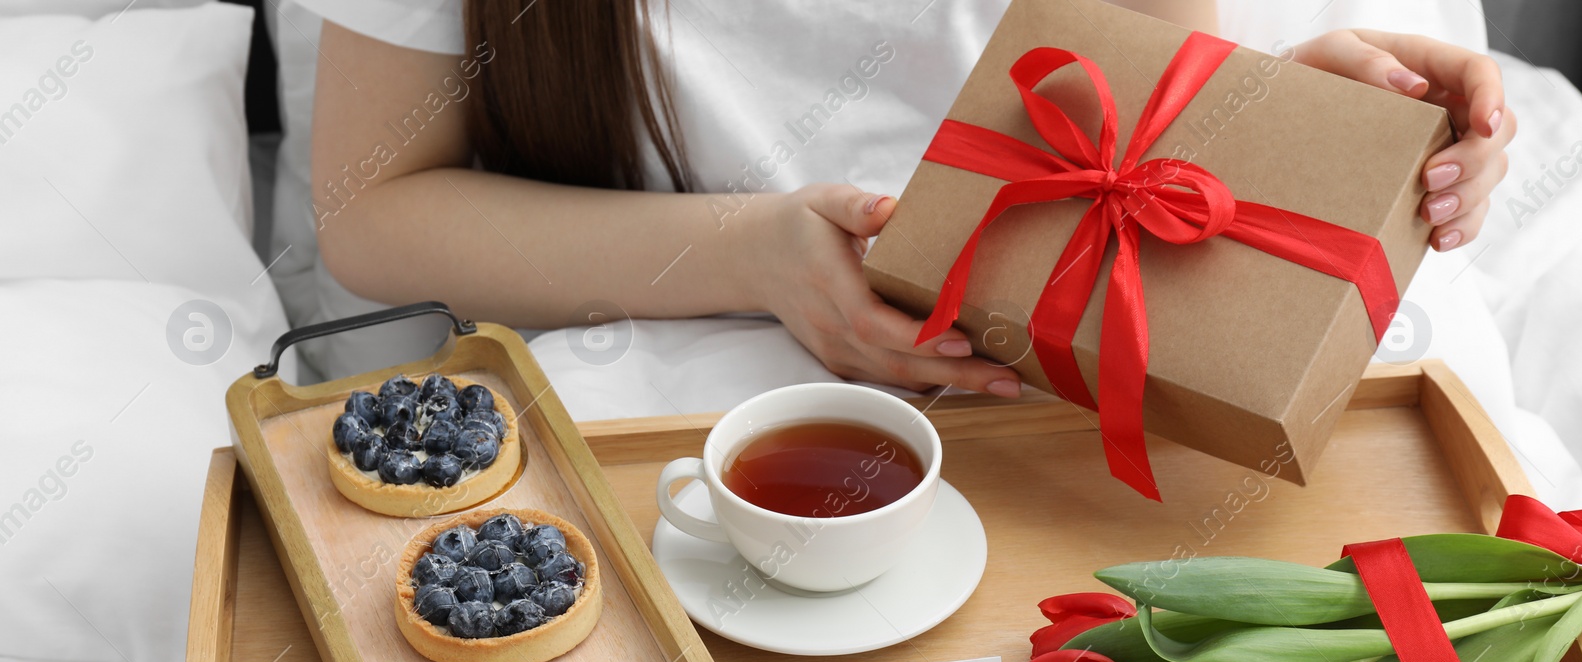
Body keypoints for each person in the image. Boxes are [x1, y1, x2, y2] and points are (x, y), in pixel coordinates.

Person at [307, 0, 1512, 399]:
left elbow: (1131, 126)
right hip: (651, 342)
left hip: (1025, 360)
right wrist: (755, 255)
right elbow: (374, 208)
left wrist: (1294, 130)